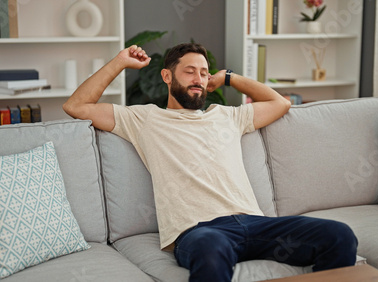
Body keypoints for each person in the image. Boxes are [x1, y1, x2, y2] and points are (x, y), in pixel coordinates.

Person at [63, 43, 358, 282]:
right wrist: (120, 61)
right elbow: (75, 106)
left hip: (256, 225)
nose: (198, 79)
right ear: (167, 76)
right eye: (190, 72)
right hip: (199, 231)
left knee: (339, 235)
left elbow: (281, 104)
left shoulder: (227, 115)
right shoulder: (144, 118)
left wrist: (228, 78)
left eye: (204, 74)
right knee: (210, 248)